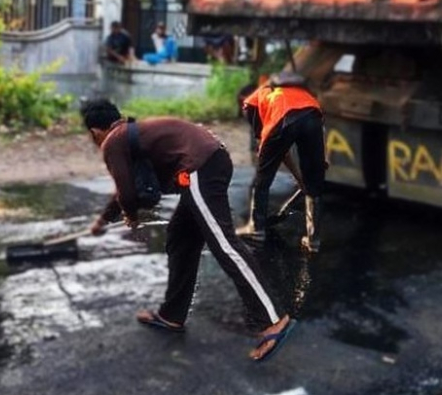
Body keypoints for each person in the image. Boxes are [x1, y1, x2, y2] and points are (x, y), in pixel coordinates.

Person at [81, 98, 295, 362]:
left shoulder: (113, 141)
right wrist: (103, 221)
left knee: (224, 244)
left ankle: (273, 320)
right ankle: (172, 315)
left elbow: (125, 191)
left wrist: (131, 216)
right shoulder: (129, 133)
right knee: (180, 237)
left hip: (199, 169)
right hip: (208, 162)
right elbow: (124, 192)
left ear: (94, 131)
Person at [242, 71, 326, 252]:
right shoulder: (296, 93)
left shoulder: (251, 103)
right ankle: (313, 241)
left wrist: (296, 175)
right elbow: (283, 152)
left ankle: (257, 231)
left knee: (262, 180)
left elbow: (275, 151)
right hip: (313, 115)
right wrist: (303, 178)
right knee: (314, 184)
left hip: (284, 118)